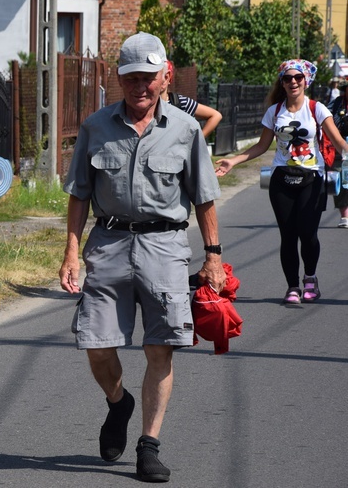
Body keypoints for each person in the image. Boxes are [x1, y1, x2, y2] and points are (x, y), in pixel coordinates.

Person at [59, 32, 225, 483]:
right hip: (108, 244)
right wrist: (71, 252)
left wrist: (212, 256)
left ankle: (148, 445)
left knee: (160, 346)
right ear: (119, 78)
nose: (140, 87)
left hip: (165, 247)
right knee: (95, 343)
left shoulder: (187, 130)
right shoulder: (96, 126)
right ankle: (119, 403)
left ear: (164, 76)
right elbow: (78, 194)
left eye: (149, 78)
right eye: (132, 78)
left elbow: (204, 199)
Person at [215, 59, 348, 303]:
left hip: (312, 177)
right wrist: (233, 161)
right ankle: (292, 287)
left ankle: (310, 278)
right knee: (288, 235)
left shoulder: (317, 109)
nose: (293, 82)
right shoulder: (275, 111)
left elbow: (339, 142)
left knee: (308, 233)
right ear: (282, 82)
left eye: (298, 78)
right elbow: (262, 146)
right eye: (288, 78)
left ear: (306, 80)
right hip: (281, 180)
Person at [161, 60, 223, 139]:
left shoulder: (180, 102)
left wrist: (197, 141)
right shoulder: (145, 105)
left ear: (167, 78)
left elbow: (216, 116)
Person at [329, 83, 348, 228]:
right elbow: (325, 121)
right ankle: (345, 216)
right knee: (341, 180)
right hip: (338, 148)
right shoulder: (336, 104)